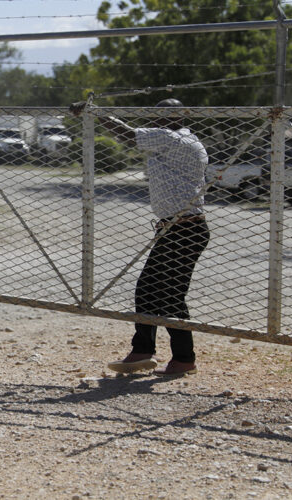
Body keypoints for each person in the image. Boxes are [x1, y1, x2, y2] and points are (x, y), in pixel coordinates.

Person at [69, 98, 210, 376]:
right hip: (180, 227)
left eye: (161, 114)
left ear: (174, 117)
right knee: (157, 292)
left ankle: (175, 356)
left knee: (163, 293)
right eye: (156, 114)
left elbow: (127, 134)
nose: (156, 119)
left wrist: (96, 114)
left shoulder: (170, 137)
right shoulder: (189, 139)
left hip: (182, 229)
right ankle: (153, 352)